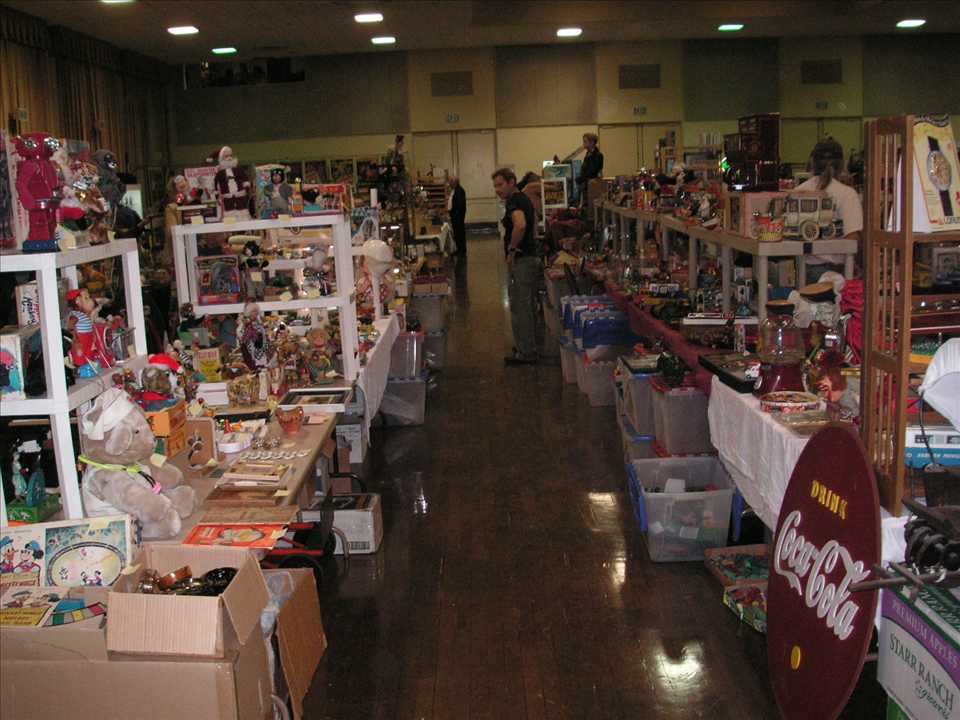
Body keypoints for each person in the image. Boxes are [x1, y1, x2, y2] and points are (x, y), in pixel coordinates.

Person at [795, 138, 863, 281]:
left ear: (812, 162)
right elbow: (852, 239)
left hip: (802, 272)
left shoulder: (799, 191)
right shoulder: (847, 194)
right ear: (842, 165)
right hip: (834, 275)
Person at [492, 168, 539, 365]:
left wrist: (512, 250)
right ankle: (528, 347)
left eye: (500, 185)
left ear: (512, 182)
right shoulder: (524, 199)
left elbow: (520, 225)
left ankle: (526, 352)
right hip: (530, 257)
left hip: (522, 260)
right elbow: (533, 223)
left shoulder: (514, 201)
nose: (497, 189)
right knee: (527, 306)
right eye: (495, 186)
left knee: (520, 307)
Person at [577, 133, 604, 206]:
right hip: (586, 185)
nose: (583, 144)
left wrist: (581, 179)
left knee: (591, 207)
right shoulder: (588, 154)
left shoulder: (598, 155)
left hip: (593, 187)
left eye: (585, 141)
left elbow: (593, 171)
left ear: (592, 142)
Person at [448, 176, 467, 258]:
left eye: (451, 182)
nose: (449, 184)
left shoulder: (459, 190)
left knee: (459, 233)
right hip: (456, 216)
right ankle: (459, 249)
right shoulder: (455, 190)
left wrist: (454, 213)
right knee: (457, 233)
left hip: (457, 216)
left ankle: (461, 250)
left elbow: (459, 204)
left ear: (455, 182)